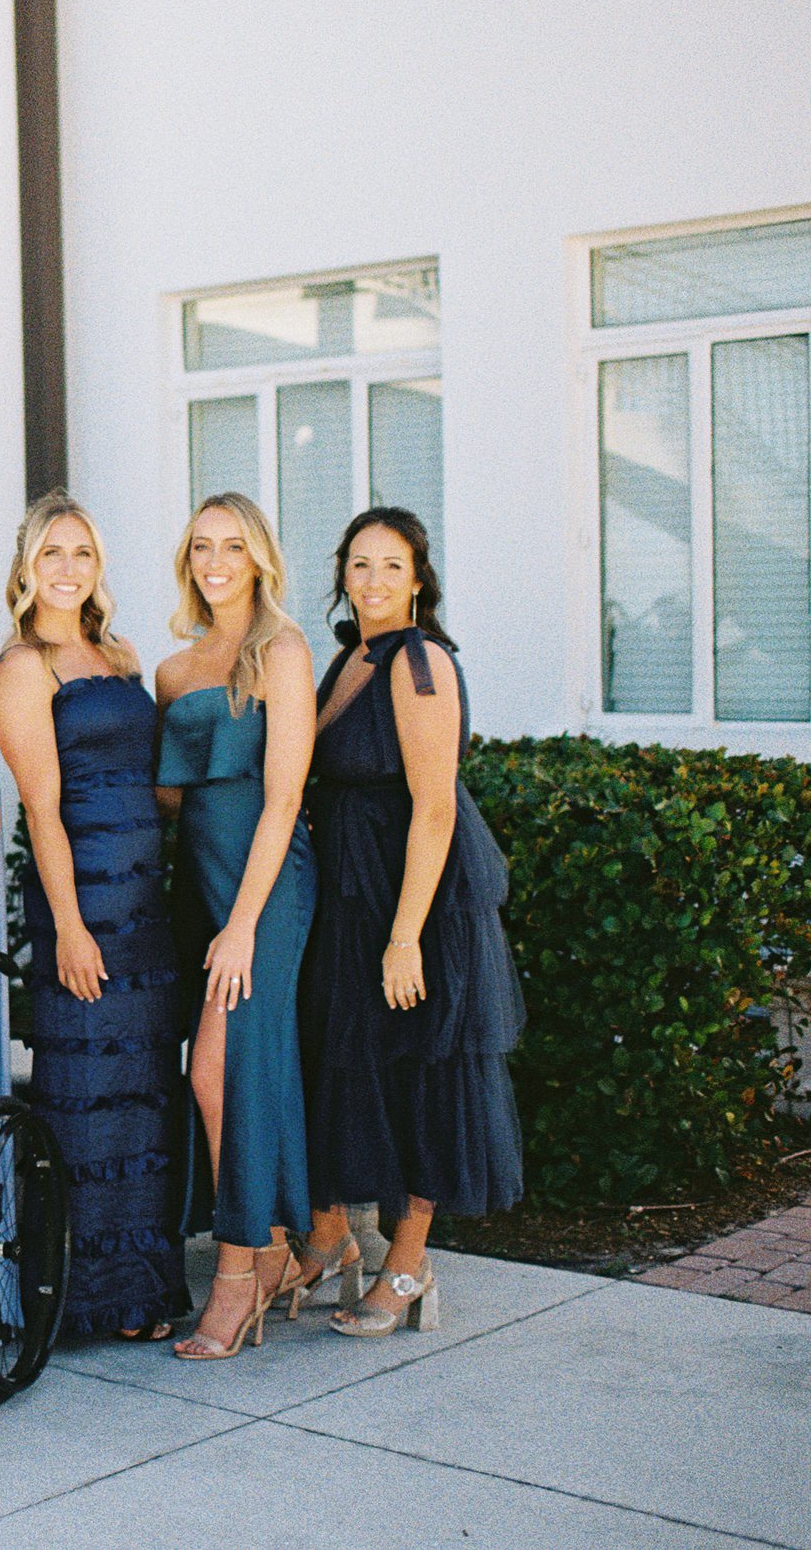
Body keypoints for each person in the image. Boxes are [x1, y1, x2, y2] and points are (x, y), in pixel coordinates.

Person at [297, 507, 524, 1337]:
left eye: (392, 566)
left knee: (425, 1070)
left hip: (414, 902)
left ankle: (409, 1262)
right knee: (351, 1060)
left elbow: (434, 808)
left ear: (418, 579)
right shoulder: (349, 658)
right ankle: (337, 1238)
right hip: (354, 896)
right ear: (342, 574)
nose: (374, 581)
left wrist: (404, 936)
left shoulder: (420, 659)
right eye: (361, 564)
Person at [0, 493, 189, 1341]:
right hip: (84, 893)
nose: (67, 568)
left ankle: (143, 1291)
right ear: (27, 568)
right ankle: (81, 1294)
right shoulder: (22, 667)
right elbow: (40, 807)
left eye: (81, 553)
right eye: (52, 554)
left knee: (144, 1092)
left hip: (148, 897)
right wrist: (67, 926)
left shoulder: (122, 652)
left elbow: (158, 781)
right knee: (86, 1094)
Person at [154, 494, 316, 1360]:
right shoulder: (174, 672)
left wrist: (245, 921)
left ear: (259, 558)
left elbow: (285, 795)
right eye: (202, 546)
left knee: (221, 1068)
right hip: (200, 883)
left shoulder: (281, 651)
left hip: (267, 888)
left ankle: (238, 1268)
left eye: (233, 546)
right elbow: (172, 797)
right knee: (233, 1066)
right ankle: (280, 1249)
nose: (216, 560)